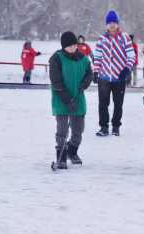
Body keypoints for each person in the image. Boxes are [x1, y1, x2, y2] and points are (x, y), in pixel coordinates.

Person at [49, 31, 93, 169]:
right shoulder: (56, 58)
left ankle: (72, 151)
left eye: (75, 45)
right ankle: (61, 157)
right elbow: (56, 82)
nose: (73, 48)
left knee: (78, 131)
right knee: (62, 129)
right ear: (63, 47)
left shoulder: (83, 58)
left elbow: (89, 73)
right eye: (70, 46)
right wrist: (67, 100)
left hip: (78, 98)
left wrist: (83, 84)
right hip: (61, 98)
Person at [93, 10, 136, 137]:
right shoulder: (102, 39)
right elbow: (98, 57)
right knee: (103, 104)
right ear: (106, 25)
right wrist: (95, 71)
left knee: (118, 104)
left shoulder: (125, 37)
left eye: (114, 22)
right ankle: (104, 127)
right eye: (109, 23)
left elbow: (131, 56)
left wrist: (127, 69)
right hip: (104, 77)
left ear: (117, 24)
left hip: (119, 78)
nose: (112, 25)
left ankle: (116, 126)